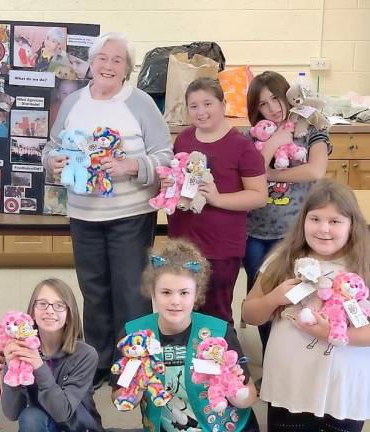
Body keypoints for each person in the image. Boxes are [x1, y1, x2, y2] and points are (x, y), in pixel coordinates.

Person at [43, 32, 172, 388]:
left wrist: (132, 166)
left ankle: (134, 365)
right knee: (94, 290)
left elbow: (165, 156)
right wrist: (51, 161)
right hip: (84, 213)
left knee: (131, 290)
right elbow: (52, 147)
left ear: (128, 69)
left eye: (118, 60)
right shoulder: (72, 103)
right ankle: (98, 361)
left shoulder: (141, 103)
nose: (108, 65)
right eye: (102, 58)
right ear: (91, 63)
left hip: (130, 214)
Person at [241, 179, 370, 432]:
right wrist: (274, 298)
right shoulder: (283, 259)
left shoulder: (364, 266)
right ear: (303, 221)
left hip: (341, 390)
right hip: (290, 389)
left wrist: (330, 334)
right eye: (315, 219)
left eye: (335, 221)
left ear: (352, 225)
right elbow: (249, 314)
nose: (323, 229)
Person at [111, 239, 259, 431]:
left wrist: (233, 390)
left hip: (224, 426)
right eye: (166, 292)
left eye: (184, 293)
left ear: (196, 294)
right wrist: (133, 389)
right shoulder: (134, 337)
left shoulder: (219, 332)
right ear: (152, 292)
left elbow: (249, 396)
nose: (175, 301)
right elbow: (119, 398)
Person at [164, 77, 267, 323]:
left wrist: (218, 199)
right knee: (181, 309)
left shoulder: (242, 146)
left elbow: (259, 196)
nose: (201, 112)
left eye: (208, 104)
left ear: (223, 104)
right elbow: (181, 178)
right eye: (194, 106)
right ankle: (187, 358)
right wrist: (169, 185)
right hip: (183, 241)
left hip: (220, 247)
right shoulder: (184, 139)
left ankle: (222, 358)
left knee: (215, 314)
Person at [243, 71, 330, 353]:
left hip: (294, 234)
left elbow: (315, 170)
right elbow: (246, 174)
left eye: (276, 98)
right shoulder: (252, 138)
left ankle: (294, 356)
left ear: (289, 95)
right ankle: (270, 358)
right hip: (255, 232)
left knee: (298, 296)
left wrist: (266, 175)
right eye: (263, 104)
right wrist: (271, 145)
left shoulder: (313, 131)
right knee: (262, 298)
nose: (273, 108)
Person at [1, 278, 103, 431]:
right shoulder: (20, 348)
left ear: (69, 315)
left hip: (80, 427)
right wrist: (11, 370)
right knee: (31, 416)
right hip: (43, 425)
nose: (49, 310)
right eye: (42, 304)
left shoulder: (85, 354)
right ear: (32, 313)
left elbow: (62, 413)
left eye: (59, 305)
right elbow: (11, 413)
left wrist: (39, 366)